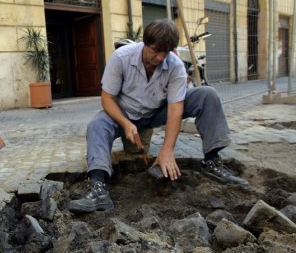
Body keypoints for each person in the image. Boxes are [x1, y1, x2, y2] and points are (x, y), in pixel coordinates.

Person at [68, 19, 248, 214]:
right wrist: (125, 123)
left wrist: (167, 151)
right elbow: (107, 98)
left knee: (207, 95)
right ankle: (98, 188)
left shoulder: (175, 66)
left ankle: (211, 160)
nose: (161, 57)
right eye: (156, 51)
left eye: (166, 52)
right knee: (97, 125)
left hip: (156, 112)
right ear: (145, 43)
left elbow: (175, 109)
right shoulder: (121, 58)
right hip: (124, 113)